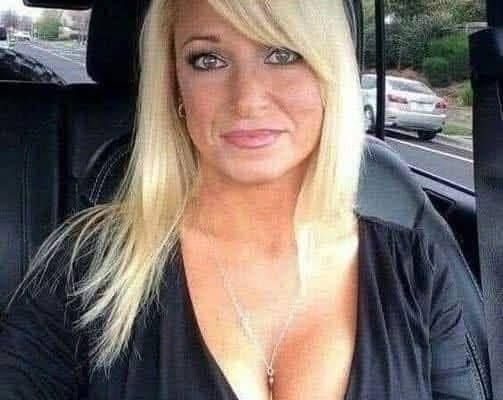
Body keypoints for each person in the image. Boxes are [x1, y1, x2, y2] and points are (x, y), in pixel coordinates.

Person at [0, 0, 476, 399]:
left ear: (330, 71)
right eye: (208, 60)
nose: (247, 98)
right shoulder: (88, 267)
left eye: (283, 54)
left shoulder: (417, 270)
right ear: (175, 86)